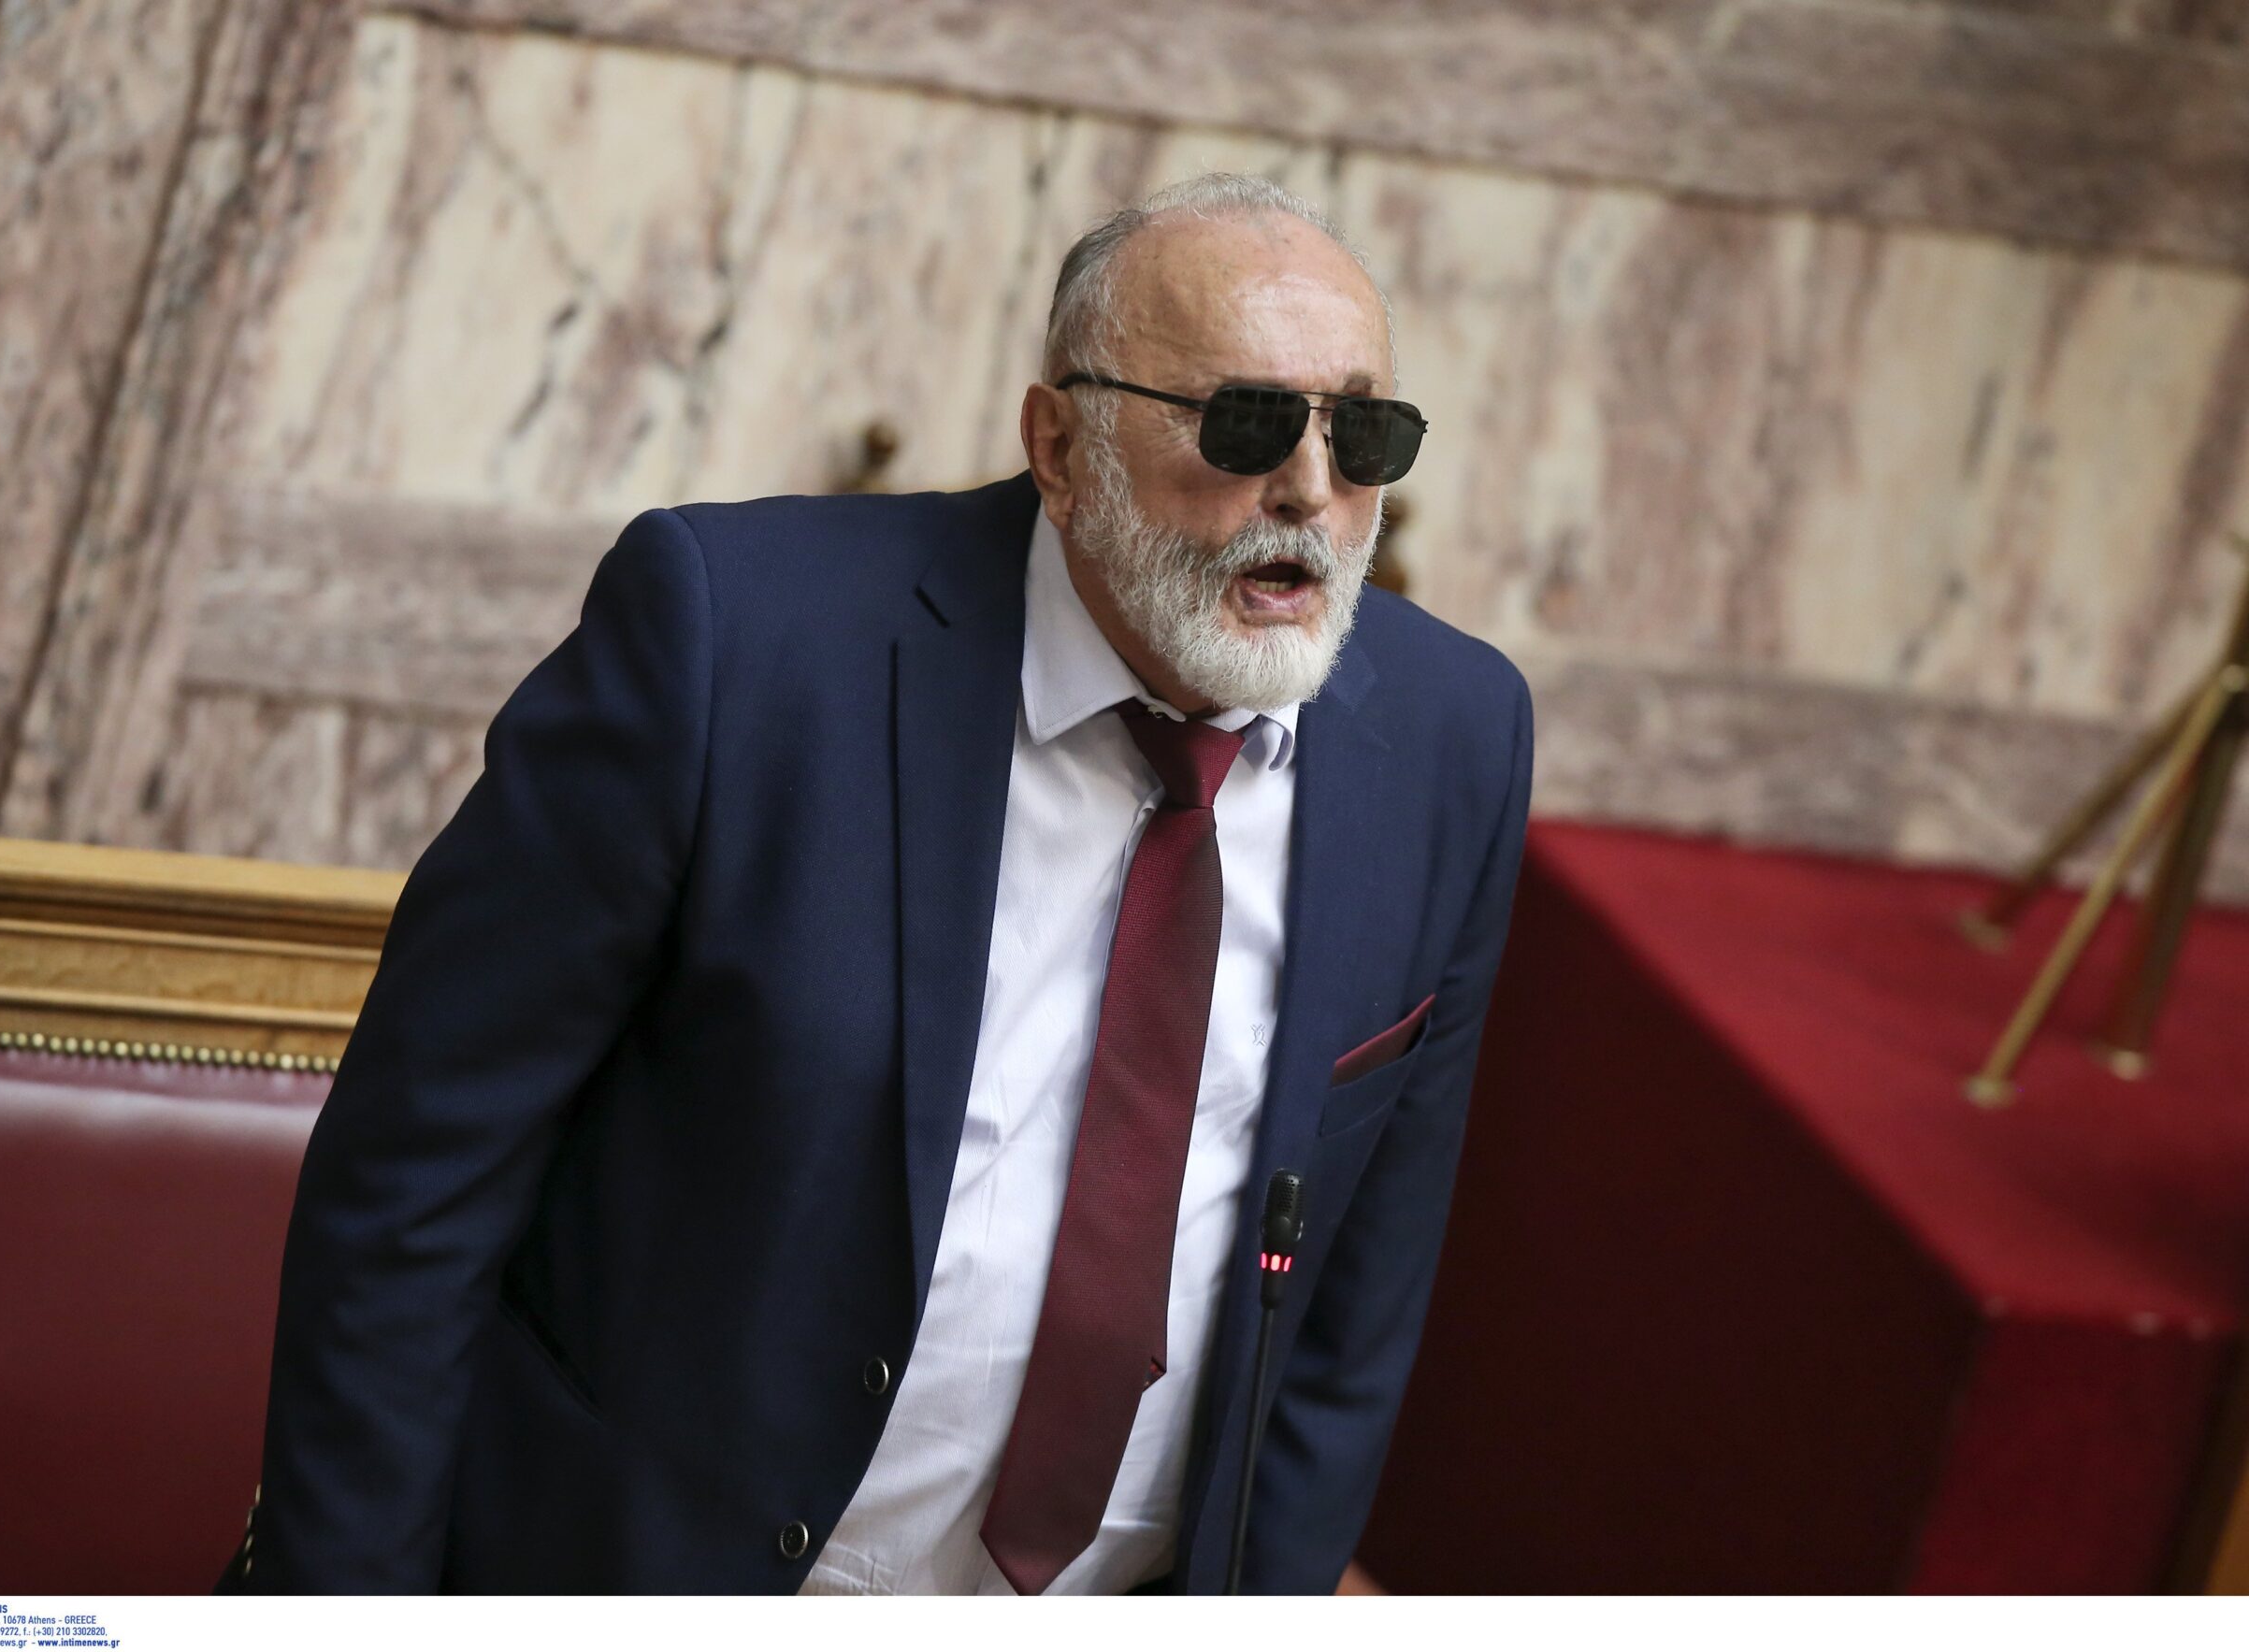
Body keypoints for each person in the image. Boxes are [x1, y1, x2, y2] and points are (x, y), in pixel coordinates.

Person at [230, 171, 1533, 1596]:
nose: (1311, 492)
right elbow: (415, 1187)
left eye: (1364, 436)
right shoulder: (732, 639)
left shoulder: (1452, 741)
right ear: (1060, 444)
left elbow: (1350, 1321)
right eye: (1247, 424)